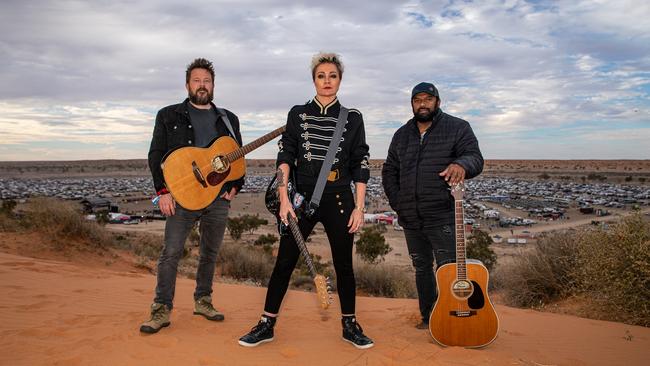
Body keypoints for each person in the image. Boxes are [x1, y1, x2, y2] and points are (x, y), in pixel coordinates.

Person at [238, 52, 373, 349]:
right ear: (314, 80)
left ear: (340, 80)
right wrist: (284, 199)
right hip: (302, 199)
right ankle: (266, 323)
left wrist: (359, 207)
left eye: (333, 76)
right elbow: (286, 156)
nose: (327, 81)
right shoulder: (297, 113)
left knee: (344, 265)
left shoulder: (353, 118)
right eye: (321, 76)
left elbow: (360, 163)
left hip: (339, 197)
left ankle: (350, 324)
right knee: (284, 261)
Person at [140, 58, 244, 334]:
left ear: (213, 85)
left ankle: (203, 300)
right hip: (182, 197)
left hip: (216, 199)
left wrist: (235, 187)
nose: (202, 85)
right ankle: (161, 309)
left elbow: (237, 158)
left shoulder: (229, 119)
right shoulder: (168, 115)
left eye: (207, 81)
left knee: (209, 253)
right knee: (171, 253)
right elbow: (155, 155)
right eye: (197, 80)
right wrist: (162, 191)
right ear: (187, 84)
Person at [381, 82, 483, 329]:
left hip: (442, 216)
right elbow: (389, 171)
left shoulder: (457, 128)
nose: (423, 104)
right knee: (422, 269)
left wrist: (462, 165)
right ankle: (429, 318)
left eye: (428, 99)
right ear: (412, 104)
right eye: (417, 100)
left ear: (438, 102)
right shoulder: (402, 135)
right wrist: (399, 204)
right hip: (411, 218)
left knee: (449, 269)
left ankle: (454, 318)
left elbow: (475, 157)